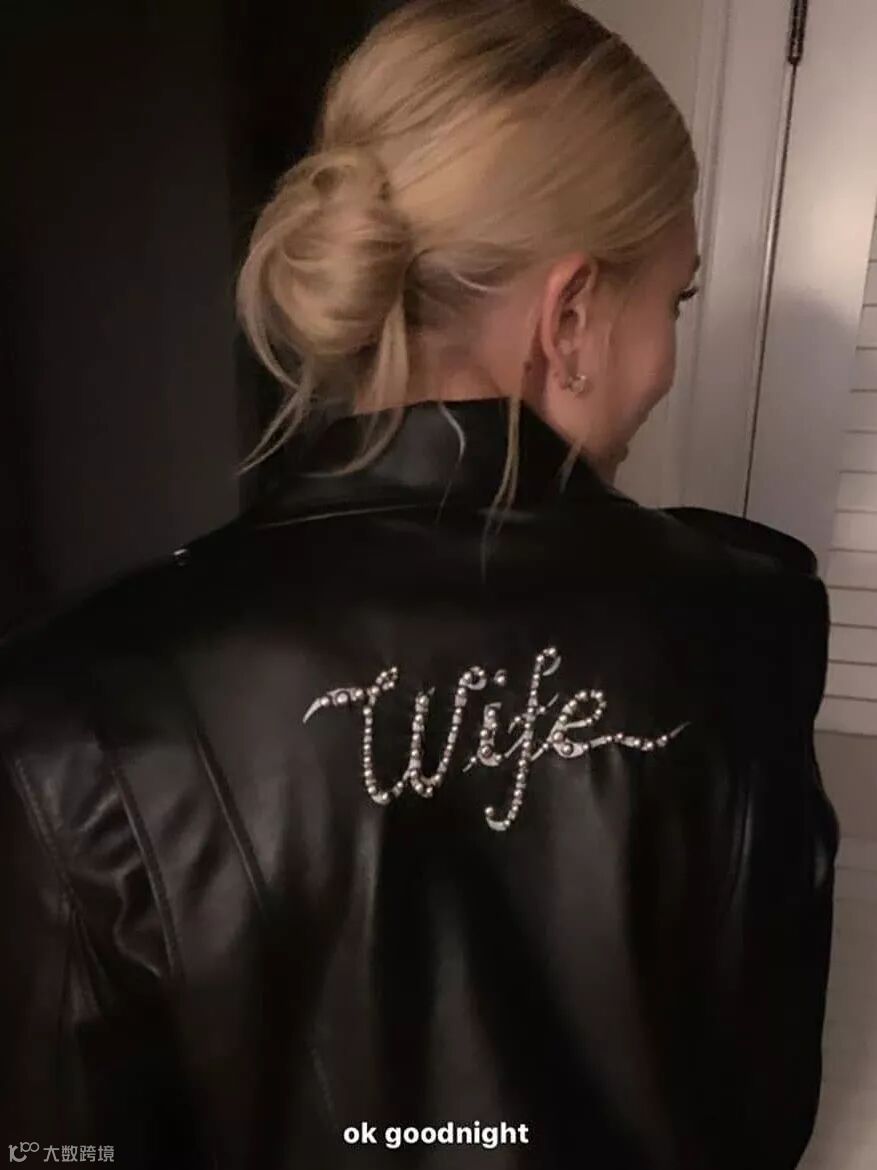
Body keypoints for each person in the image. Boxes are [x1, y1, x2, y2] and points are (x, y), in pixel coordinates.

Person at [1, 1, 838, 1167]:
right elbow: (761, 1107)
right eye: (675, 300)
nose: (663, 361)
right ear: (571, 313)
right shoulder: (750, 621)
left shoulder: (80, 697)